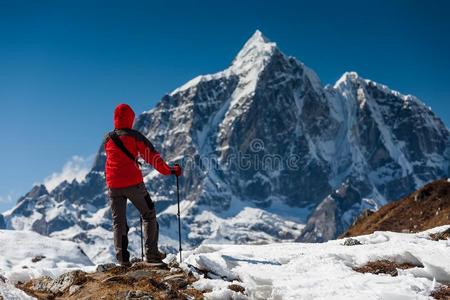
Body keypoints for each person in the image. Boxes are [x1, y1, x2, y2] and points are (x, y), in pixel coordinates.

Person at [104, 103, 182, 266]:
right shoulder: (135, 137)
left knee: (118, 221)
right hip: (133, 183)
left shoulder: (108, 139)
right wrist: (170, 170)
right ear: (131, 119)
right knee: (148, 214)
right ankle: (152, 254)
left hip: (113, 186)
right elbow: (153, 157)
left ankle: (122, 259)